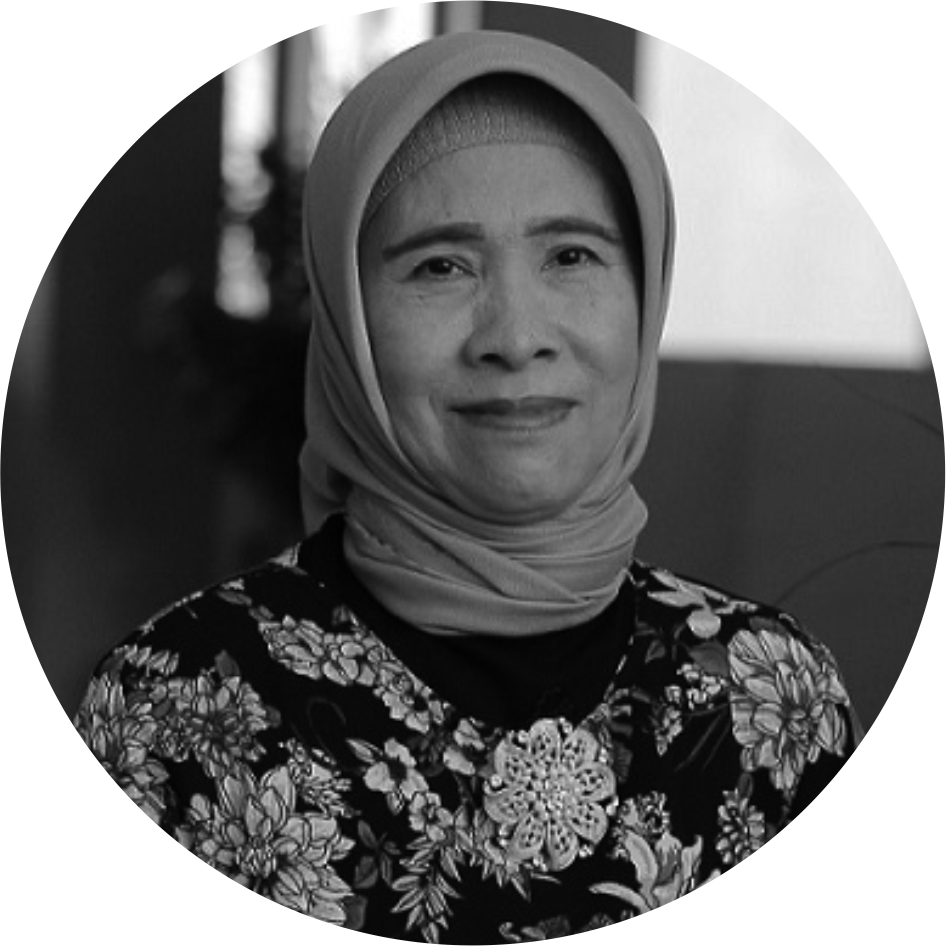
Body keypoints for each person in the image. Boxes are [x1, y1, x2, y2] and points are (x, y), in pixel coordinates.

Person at [74, 30, 858, 943]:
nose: (516, 337)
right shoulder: (171, 710)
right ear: (347, 320)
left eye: (572, 256)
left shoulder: (774, 699)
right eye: (439, 265)